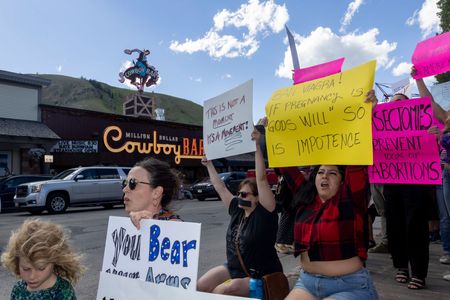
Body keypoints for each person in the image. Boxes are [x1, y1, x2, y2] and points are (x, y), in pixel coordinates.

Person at [279, 93, 378, 300]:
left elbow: (357, 159)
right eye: (321, 172)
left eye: (333, 173)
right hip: (306, 282)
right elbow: (284, 162)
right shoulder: (305, 197)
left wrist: (365, 116)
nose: (325, 176)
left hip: (349, 286)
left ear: (342, 181)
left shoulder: (351, 200)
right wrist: (275, 129)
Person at [196, 126, 283, 297]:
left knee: (223, 290)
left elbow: (261, 178)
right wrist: (209, 164)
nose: (239, 197)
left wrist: (257, 146)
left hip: (262, 275)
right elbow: (220, 187)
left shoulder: (266, 212)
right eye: (238, 193)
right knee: (201, 285)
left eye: (244, 194)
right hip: (234, 268)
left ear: (257, 197)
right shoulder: (237, 210)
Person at [381, 67, 442, 289]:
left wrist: (433, 137)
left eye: (401, 102)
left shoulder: (422, 126)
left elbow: (431, 151)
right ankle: (401, 266)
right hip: (391, 182)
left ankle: (418, 272)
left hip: (414, 182)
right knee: (395, 224)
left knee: (415, 225)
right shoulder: (382, 128)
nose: (396, 105)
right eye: (393, 102)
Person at [1, 219, 85, 299]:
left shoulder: (63, 292)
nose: (32, 276)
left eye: (41, 268)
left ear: (55, 261)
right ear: (17, 263)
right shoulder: (18, 289)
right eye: (26, 269)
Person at [122, 157, 182, 229]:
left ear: (156, 193)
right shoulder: (125, 228)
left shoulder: (175, 226)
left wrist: (152, 222)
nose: (125, 189)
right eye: (125, 183)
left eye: (133, 183)